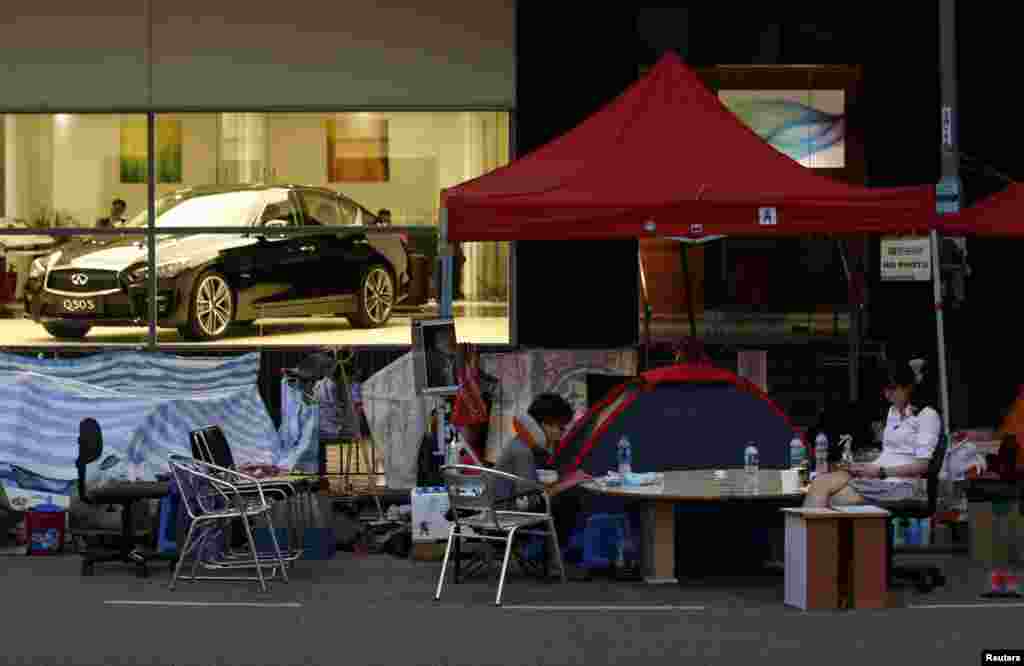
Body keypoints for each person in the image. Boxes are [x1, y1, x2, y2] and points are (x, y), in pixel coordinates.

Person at [803, 359, 941, 508]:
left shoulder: (927, 415)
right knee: (818, 484)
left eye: (893, 389)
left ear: (908, 387)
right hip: (877, 475)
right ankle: (805, 531)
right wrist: (864, 466)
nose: (888, 395)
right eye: (885, 390)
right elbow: (890, 452)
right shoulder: (892, 412)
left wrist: (881, 472)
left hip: (904, 484)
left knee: (836, 499)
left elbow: (922, 466)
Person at [494, 393, 591, 579]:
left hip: (500, 509)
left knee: (564, 498)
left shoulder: (520, 443)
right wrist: (563, 487)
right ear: (546, 424)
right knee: (568, 502)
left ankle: (551, 560)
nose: (562, 434)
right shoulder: (524, 452)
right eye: (561, 428)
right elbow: (528, 501)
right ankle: (556, 564)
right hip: (506, 516)